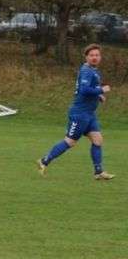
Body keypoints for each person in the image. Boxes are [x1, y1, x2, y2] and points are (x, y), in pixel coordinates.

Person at [37, 44, 114, 180]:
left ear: (100, 57)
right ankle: (44, 161)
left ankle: (98, 172)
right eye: (92, 55)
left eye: (97, 55)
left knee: (97, 140)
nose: (95, 57)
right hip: (80, 114)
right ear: (86, 57)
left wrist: (98, 96)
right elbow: (84, 90)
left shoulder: (94, 71)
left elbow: (87, 90)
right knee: (70, 142)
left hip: (89, 114)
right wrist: (101, 90)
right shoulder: (87, 71)